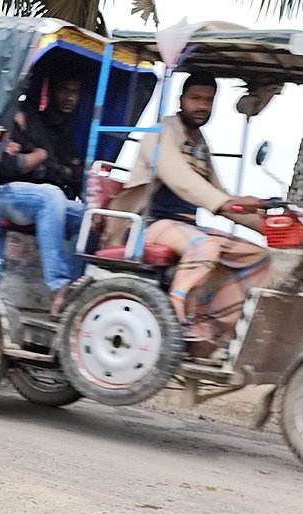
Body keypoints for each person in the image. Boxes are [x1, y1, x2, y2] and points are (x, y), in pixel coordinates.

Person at [109, 71, 271, 358]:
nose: (202, 106)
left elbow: (221, 195)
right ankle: (175, 313)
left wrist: (270, 227)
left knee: (257, 257)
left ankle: (217, 323)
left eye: (209, 100)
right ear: (181, 99)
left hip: (186, 228)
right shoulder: (162, 131)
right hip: (148, 223)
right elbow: (181, 178)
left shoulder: (199, 143)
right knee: (205, 246)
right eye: (196, 98)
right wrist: (226, 204)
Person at [0, 74, 87, 305]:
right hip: (2, 193)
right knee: (50, 195)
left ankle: (73, 293)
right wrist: (38, 158)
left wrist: (37, 159)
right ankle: (59, 284)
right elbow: (4, 165)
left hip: (36, 195)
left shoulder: (40, 121)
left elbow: (64, 167)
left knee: (88, 217)